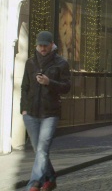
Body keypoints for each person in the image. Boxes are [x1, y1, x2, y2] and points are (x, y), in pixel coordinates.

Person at [21, 31, 71, 191]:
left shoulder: (61, 63)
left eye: (45, 45)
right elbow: (24, 86)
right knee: (39, 150)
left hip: (50, 113)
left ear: (51, 45)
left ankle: (34, 183)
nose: (42, 48)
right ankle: (50, 178)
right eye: (40, 45)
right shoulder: (30, 63)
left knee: (42, 149)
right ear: (36, 45)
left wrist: (50, 82)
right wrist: (23, 108)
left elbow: (66, 87)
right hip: (30, 112)